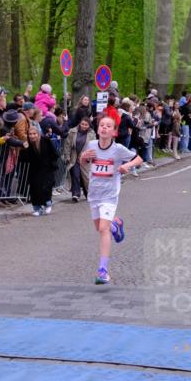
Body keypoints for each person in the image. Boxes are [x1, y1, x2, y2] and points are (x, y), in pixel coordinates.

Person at [79, 115, 142, 284]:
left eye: (108, 126)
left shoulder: (118, 149)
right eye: (102, 125)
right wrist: (83, 157)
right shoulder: (92, 145)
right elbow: (83, 163)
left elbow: (138, 158)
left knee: (103, 230)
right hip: (93, 194)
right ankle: (116, 223)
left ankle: (103, 270)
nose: (104, 128)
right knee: (99, 227)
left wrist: (126, 166)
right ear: (98, 129)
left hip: (109, 195)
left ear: (114, 132)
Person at [64, 116, 95, 201]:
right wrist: (67, 156)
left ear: (89, 125)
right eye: (82, 124)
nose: (84, 126)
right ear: (79, 123)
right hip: (74, 157)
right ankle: (76, 194)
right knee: (75, 175)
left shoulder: (92, 134)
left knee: (86, 177)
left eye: (86, 125)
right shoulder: (72, 131)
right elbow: (67, 145)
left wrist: (89, 156)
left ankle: (88, 193)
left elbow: (93, 147)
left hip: (85, 159)